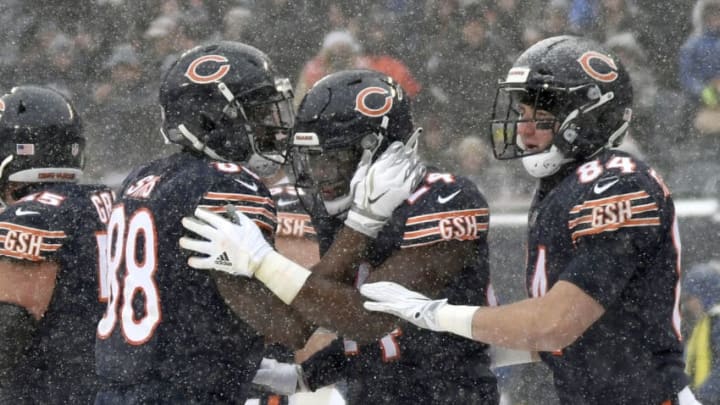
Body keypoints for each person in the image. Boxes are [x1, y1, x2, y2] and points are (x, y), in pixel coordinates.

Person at [359, 35, 700, 404]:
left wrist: (433, 314)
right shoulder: (563, 187)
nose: (523, 129)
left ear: (591, 117)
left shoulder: (618, 184)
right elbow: (576, 341)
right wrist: (452, 353)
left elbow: (556, 325)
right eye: (522, 114)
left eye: (541, 117)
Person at [180, 69, 499, 404]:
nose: (321, 174)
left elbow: (369, 318)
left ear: (380, 150)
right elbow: (341, 328)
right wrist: (309, 374)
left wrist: (265, 262)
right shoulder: (342, 210)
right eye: (312, 159)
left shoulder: (447, 199)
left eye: (332, 158)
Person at [93, 41, 303, 403]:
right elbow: (276, 320)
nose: (271, 123)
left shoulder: (143, 178)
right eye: (257, 112)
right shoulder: (227, 182)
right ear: (211, 119)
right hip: (188, 390)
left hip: (122, 385)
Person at [0, 85, 113, 403]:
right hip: (107, 382)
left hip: (51, 388)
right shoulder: (109, 201)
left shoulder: (33, 216)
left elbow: (10, 326)